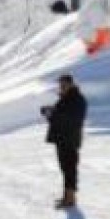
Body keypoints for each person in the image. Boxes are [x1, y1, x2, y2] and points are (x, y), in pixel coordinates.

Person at [40, 73, 88, 208]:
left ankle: (70, 198)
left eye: (64, 84)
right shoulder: (66, 98)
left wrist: (53, 114)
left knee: (70, 168)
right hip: (62, 138)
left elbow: (72, 119)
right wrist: (49, 113)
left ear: (71, 84)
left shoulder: (77, 99)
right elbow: (58, 117)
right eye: (60, 84)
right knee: (65, 168)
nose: (61, 87)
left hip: (69, 139)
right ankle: (67, 196)